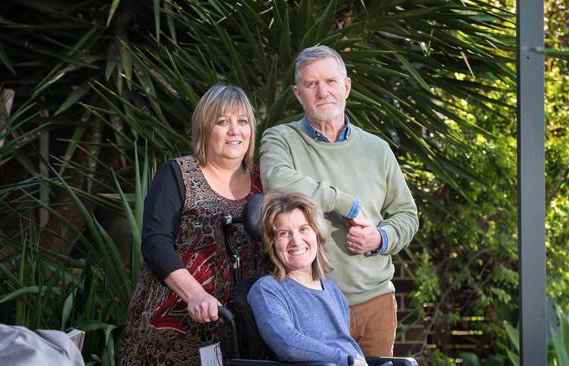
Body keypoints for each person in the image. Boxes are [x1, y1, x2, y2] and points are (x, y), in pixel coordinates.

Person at [259, 45, 419, 357]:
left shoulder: (378, 149)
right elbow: (277, 182)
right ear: (297, 93)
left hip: (376, 301)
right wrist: (347, 204)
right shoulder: (281, 139)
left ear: (346, 87)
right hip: (310, 299)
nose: (323, 92)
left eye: (331, 82)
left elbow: (406, 214)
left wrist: (380, 237)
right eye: (311, 84)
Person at [121, 84, 262, 365]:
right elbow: (155, 243)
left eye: (242, 121)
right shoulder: (177, 174)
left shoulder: (264, 183)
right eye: (223, 122)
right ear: (205, 129)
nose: (235, 130)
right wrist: (195, 294)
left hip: (242, 336)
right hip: (171, 333)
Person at [247, 191, 367, 366]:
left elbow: (345, 346)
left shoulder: (332, 290)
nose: (296, 241)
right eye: (284, 233)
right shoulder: (267, 290)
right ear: (272, 243)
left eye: (303, 229)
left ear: (317, 235)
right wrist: (343, 360)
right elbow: (287, 344)